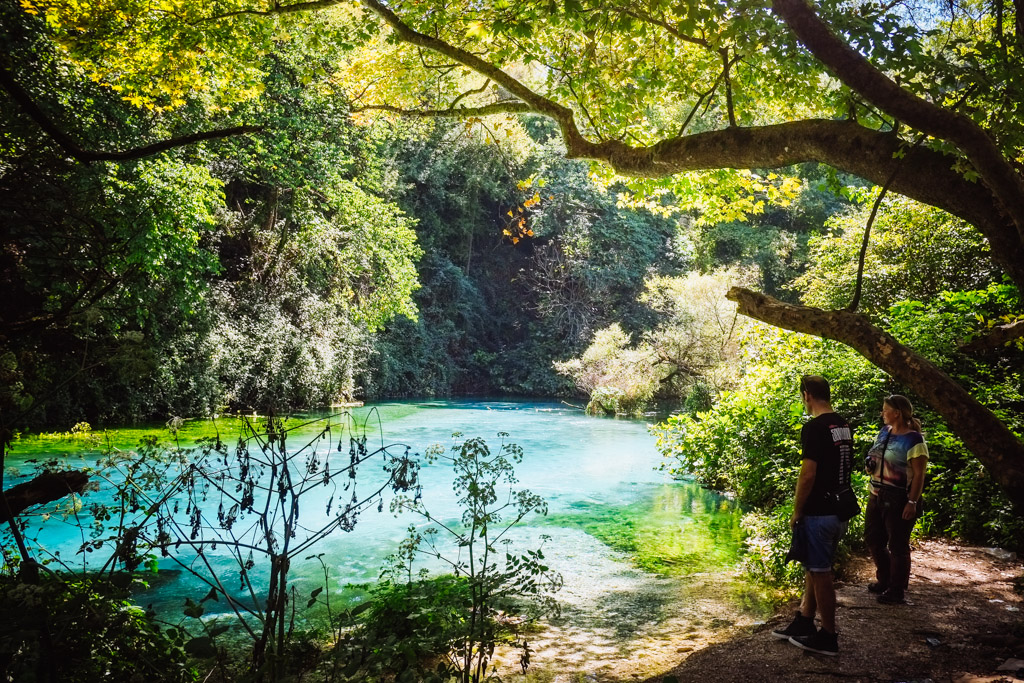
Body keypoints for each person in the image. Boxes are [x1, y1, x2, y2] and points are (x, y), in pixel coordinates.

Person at [771, 375, 854, 656]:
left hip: (819, 512)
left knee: (820, 574)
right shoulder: (842, 424)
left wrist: (797, 510)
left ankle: (828, 636)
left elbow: (808, 474)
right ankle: (805, 621)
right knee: (813, 568)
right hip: (840, 509)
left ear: (807, 395)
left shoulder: (815, 428)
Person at [864, 394, 928, 605]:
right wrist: (870, 465)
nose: (882, 413)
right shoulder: (884, 432)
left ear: (897, 413)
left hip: (900, 498)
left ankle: (896, 590)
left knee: (898, 545)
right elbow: (875, 456)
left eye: (885, 410)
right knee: (874, 540)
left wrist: (912, 502)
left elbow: (919, 475)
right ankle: (885, 580)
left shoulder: (914, 440)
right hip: (876, 494)